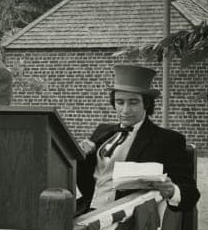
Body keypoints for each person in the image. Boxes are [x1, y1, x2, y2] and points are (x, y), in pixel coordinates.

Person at [76, 64, 200, 215]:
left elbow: (191, 193)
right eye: (120, 102)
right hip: (86, 212)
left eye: (133, 102)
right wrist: (79, 155)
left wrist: (172, 190)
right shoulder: (103, 131)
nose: (125, 110)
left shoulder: (168, 140)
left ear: (146, 104)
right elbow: (84, 175)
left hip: (129, 222)